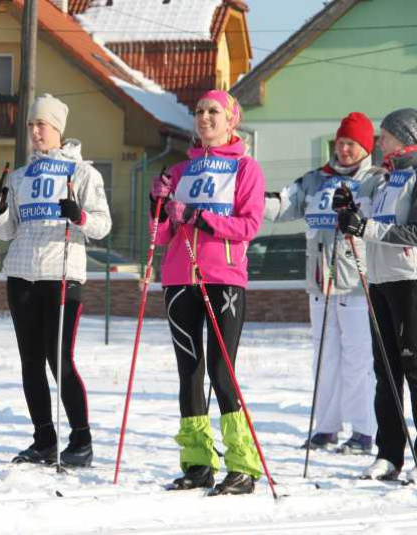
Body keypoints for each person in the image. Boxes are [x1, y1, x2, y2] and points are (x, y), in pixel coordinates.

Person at [0, 94, 111, 467]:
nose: (36, 131)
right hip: (22, 274)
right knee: (30, 361)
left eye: (43, 124)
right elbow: (6, 232)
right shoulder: (21, 176)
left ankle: (81, 440)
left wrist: (79, 216)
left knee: (60, 359)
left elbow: (102, 226)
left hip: (62, 274)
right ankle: (43, 440)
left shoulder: (82, 172)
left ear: (58, 129)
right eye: (31, 125)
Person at [150, 90, 264, 495]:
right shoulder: (181, 171)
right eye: (199, 112)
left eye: (213, 111)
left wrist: (199, 217)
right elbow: (161, 235)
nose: (204, 118)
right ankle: (198, 463)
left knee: (221, 370)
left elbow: (249, 226)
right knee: (189, 374)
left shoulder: (246, 168)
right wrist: (157, 203)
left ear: (231, 119)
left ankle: (243, 465)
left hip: (223, 278)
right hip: (180, 279)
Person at [264, 112, 380, 454]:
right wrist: (249, 194)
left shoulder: (376, 180)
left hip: (359, 284)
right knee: (324, 357)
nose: (344, 150)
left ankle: (363, 430)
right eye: (341, 142)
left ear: (366, 147)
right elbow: (283, 205)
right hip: (320, 284)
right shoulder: (315, 180)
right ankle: (327, 427)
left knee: (359, 359)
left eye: (352, 144)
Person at [333, 108, 417, 482]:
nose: (380, 142)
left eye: (386, 135)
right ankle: (389, 453)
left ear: (405, 137)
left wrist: (365, 227)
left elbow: (413, 233)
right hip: (380, 280)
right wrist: (348, 212)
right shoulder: (384, 181)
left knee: (414, 369)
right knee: (386, 370)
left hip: (410, 279)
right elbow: (367, 221)